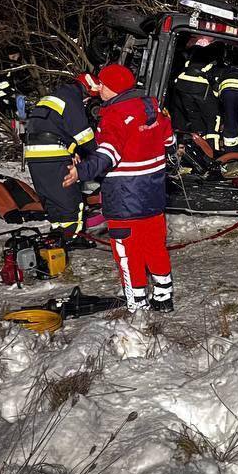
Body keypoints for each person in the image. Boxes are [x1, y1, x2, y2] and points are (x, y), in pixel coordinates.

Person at [64, 64, 175, 312]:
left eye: (102, 84)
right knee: (155, 247)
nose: (98, 88)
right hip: (153, 196)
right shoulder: (153, 108)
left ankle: (137, 304)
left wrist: (80, 171)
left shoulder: (113, 116)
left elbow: (109, 154)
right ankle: (163, 296)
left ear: (112, 88)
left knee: (128, 254)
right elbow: (169, 140)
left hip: (125, 201)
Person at [24, 72, 99, 244]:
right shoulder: (72, 99)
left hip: (34, 155)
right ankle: (73, 239)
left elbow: (57, 129)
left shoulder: (53, 96)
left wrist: (73, 151)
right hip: (54, 154)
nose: (87, 104)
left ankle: (57, 236)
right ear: (87, 92)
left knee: (52, 199)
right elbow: (84, 136)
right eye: (88, 100)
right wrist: (99, 157)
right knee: (70, 201)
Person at [171, 40, 221, 145]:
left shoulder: (193, 55)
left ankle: (198, 143)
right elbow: (214, 80)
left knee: (194, 116)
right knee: (213, 118)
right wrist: (216, 98)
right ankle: (212, 148)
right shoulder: (214, 59)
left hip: (182, 85)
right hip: (199, 85)